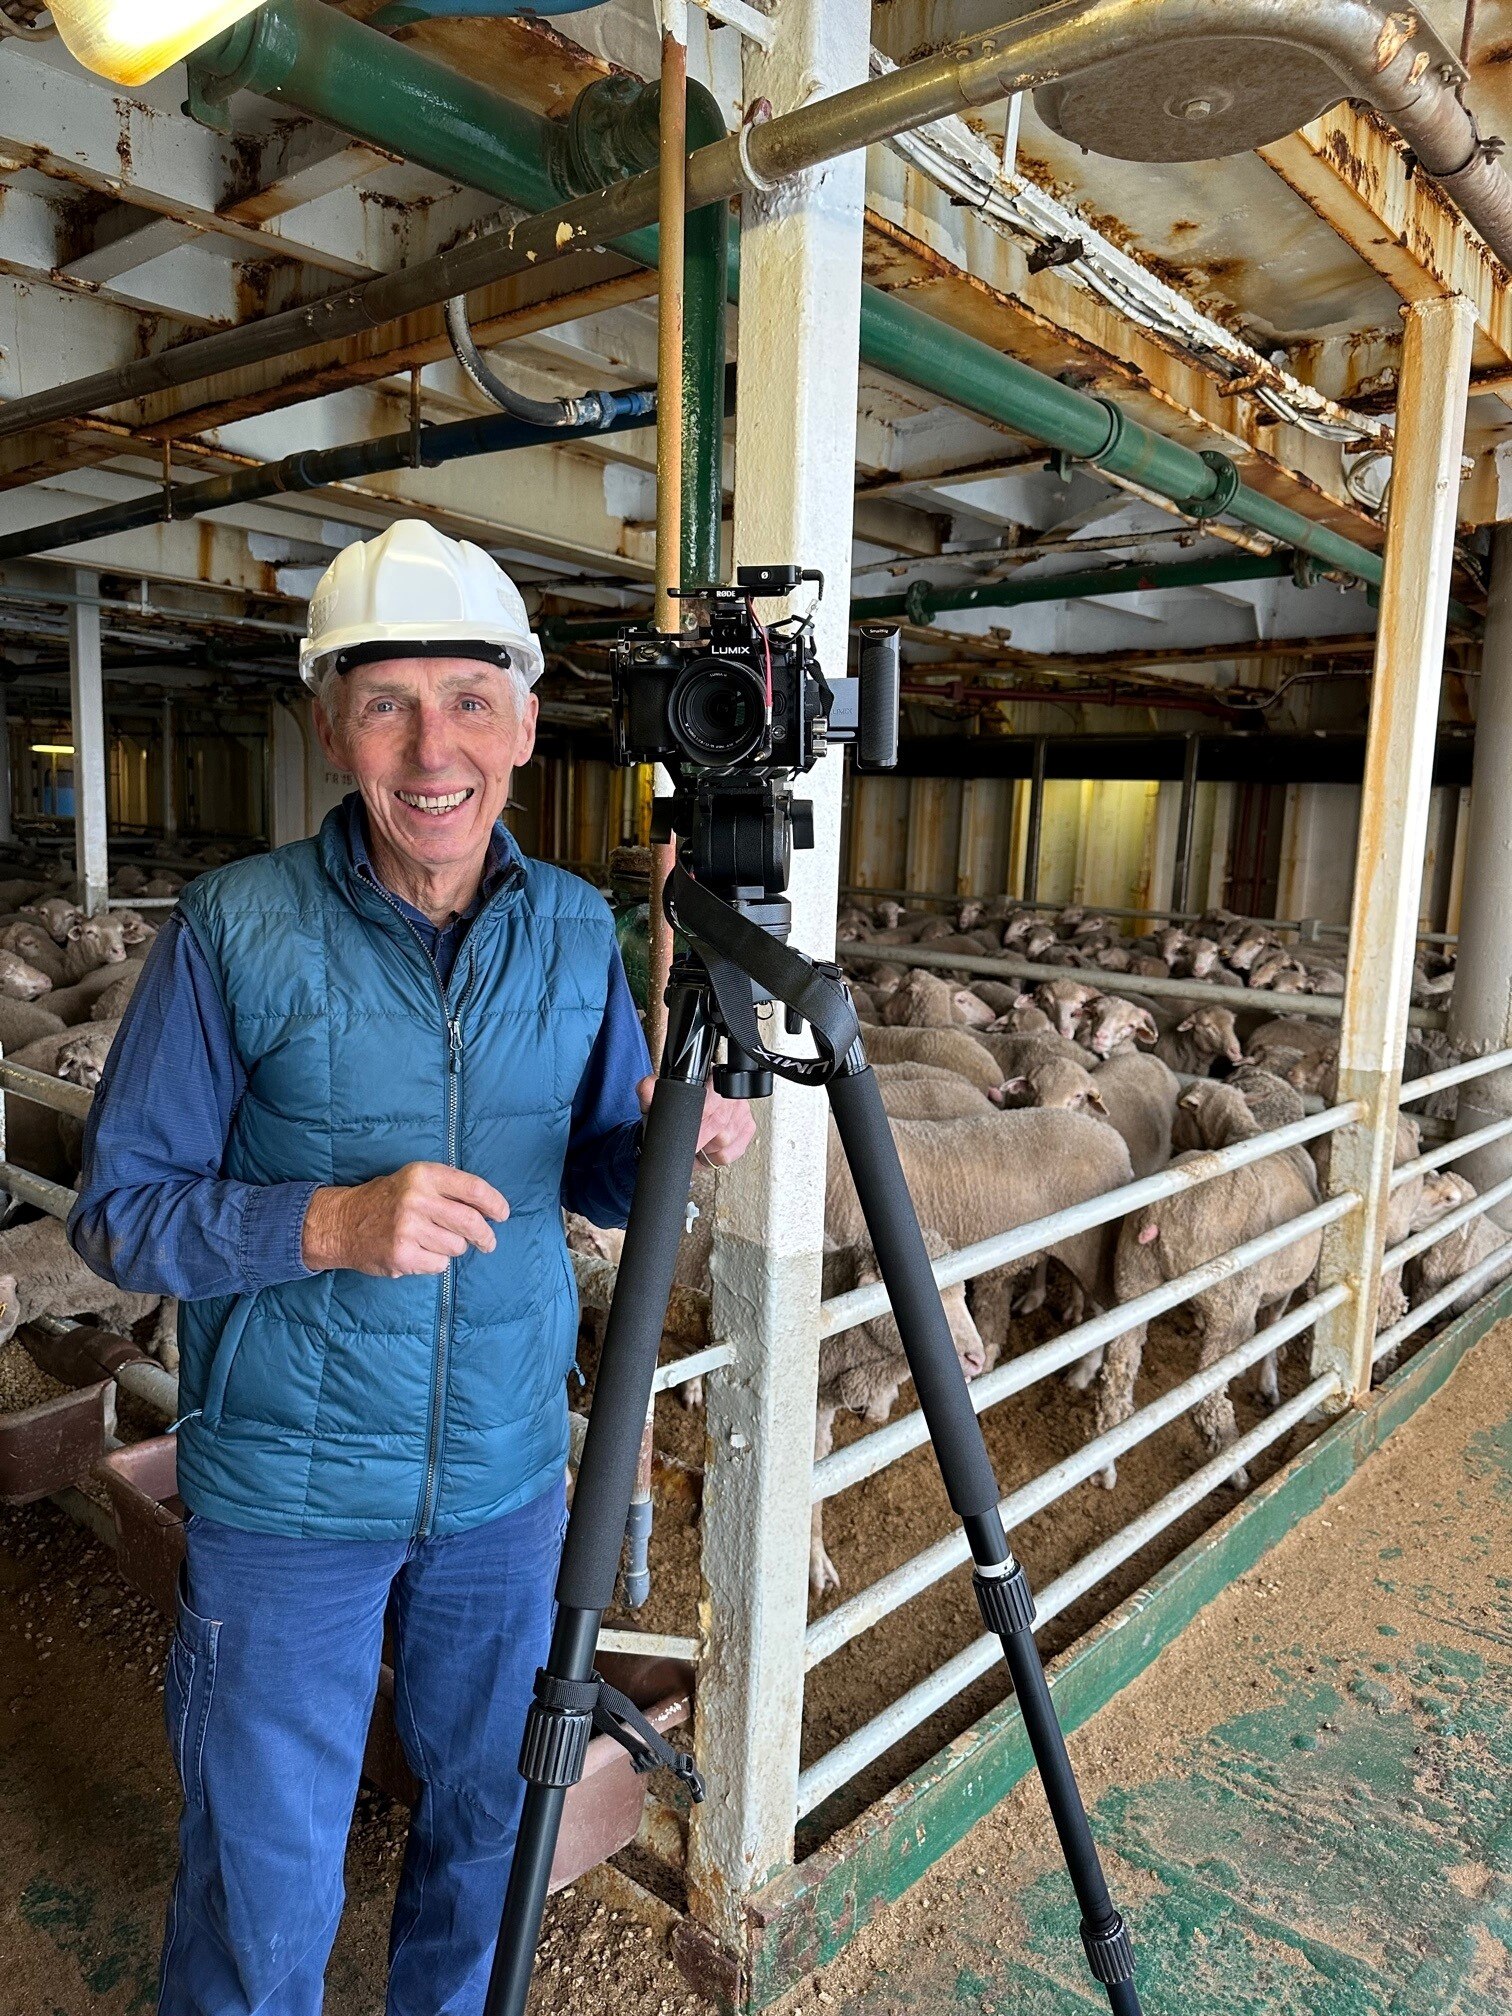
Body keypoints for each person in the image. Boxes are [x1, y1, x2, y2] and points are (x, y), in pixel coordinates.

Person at [68, 519, 755, 2016]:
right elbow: (119, 1212)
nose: (429, 744)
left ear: (520, 722)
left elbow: (588, 1171)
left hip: (503, 1494)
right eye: (385, 701)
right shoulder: (234, 929)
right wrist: (322, 1225)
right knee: (266, 1875)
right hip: (289, 1503)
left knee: (489, 1834)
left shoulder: (578, 931)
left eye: (465, 697)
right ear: (332, 727)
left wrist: (672, 1145)